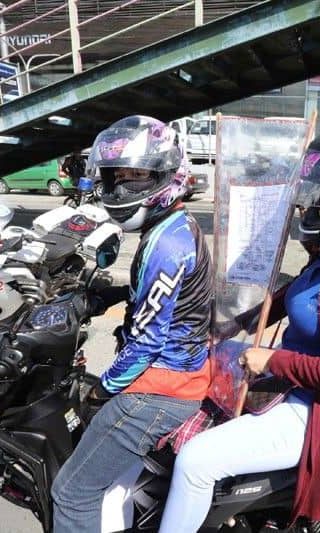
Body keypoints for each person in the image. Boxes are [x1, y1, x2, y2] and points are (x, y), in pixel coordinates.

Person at [158, 117, 320, 532]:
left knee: (197, 462)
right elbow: (293, 296)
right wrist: (231, 322)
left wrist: (271, 361)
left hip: (316, 410)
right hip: (290, 384)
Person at [51, 115, 213, 532]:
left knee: (71, 493)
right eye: (114, 177)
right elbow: (164, 302)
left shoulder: (166, 243)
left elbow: (144, 344)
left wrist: (100, 390)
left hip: (161, 388)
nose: (120, 190)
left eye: (134, 177)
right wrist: (117, 294)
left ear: (164, 175)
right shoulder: (175, 226)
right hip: (180, 376)